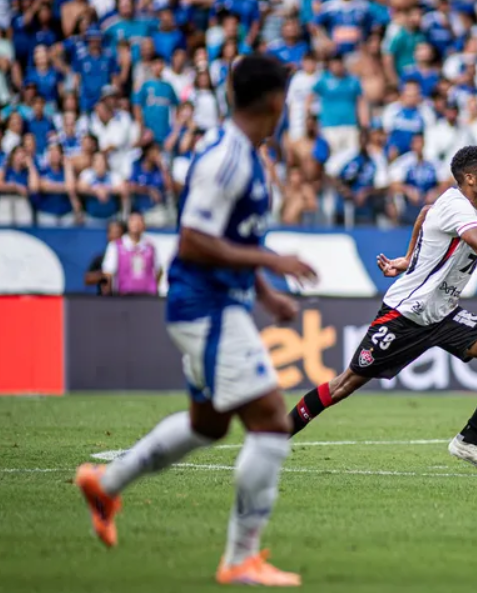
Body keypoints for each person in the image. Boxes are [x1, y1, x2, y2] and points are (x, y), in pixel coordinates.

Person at [74, 55, 318, 586]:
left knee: (207, 424)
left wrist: (266, 292)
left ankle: (104, 485)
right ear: (275, 101)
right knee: (273, 424)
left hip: (218, 305)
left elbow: (232, 239)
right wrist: (270, 262)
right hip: (204, 309)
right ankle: (240, 558)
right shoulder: (226, 159)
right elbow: (192, 241)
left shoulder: (248, 157)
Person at [287, 146, 477, 474]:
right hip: (405, 315)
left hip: (443, 314)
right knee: (344, 385)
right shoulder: (458, 208)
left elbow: (424, 213)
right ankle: (275, 436)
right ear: (470, 179)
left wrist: (409, 259)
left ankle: (468, 440)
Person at [101, 212, 162, 295]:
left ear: (144, 226)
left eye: (139, 220)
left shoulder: (151, 247)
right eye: (133, 220)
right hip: (124, 297)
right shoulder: (115, 246)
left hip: (147, 297)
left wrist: (154, 288)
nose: (136, 223)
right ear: (128, 224)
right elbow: (108, 273)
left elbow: (158, 270)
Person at [85, 220, 125, 296]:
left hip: (124, 298)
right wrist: (105, 274)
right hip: (104, 300)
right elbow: (87, 279)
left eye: (118, 233)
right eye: (112, 233)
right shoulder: (100, 257)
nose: (115, 236)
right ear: (108, 235)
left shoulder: (129, 257)